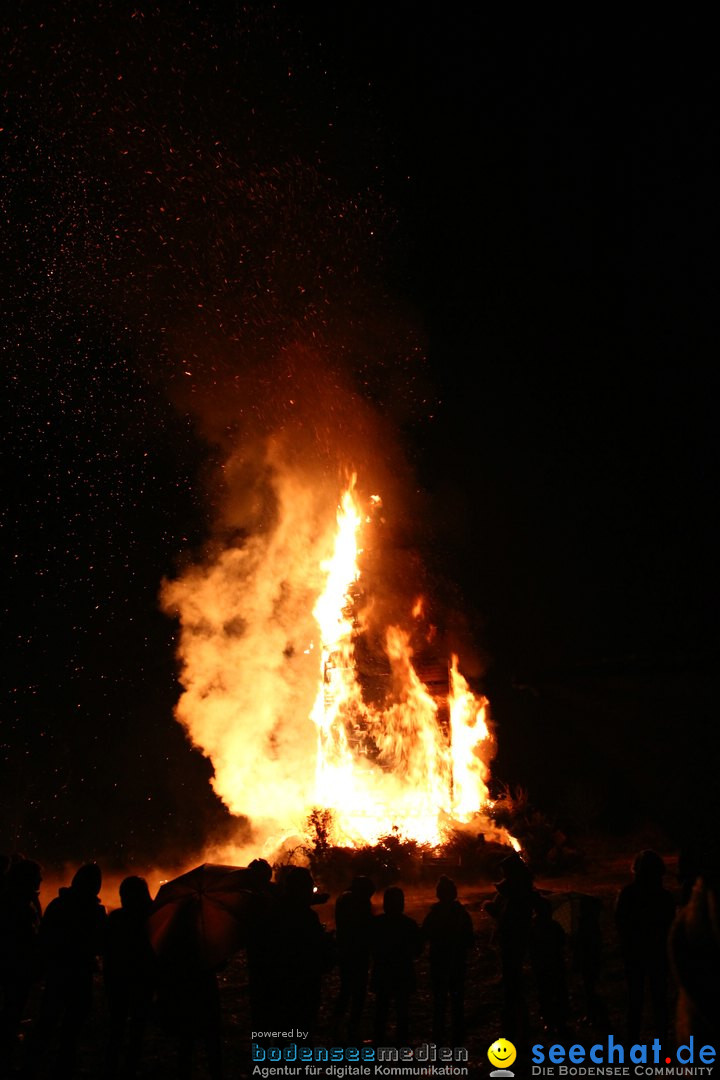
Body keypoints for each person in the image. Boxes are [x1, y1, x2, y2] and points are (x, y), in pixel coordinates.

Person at [25, 862, 106, 1079]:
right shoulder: (95, 911)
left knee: (49, 1019)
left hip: (58, 972)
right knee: (72, 1024)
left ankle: (32, 1064)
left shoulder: (58, 904)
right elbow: (100, 944)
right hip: (79, 973)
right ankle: (62, 1065)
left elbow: (44, 937)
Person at [615, 849, 676, 1043]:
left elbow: (620, 922)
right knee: (659, 998)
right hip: (656, 952)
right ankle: (662, 1039)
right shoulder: (665, 897)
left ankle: (633, 1041)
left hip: (635, 953)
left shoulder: (628, 894)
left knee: (636, 999)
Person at [103, 876, 156, 1080]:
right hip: (142, 980)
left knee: (116, 1026)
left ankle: (110, 1067)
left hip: (117, 980)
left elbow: (105, 947)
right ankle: (129, 1068)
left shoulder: (116, 918)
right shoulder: (151, 919)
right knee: (137, 1027)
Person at [484, 853, 536, 1043]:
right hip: (513, 936)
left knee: (512, 975)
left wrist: (492, 909)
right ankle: (515, 1013)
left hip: (514, 936)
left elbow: (508, 914)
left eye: (505, 871)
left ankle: (516, 1020)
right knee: (511, 973)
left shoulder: (515, 891)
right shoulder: (515, 889)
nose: (503, 875)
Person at [0, 858, 43, 1077]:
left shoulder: (23, 901)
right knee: (10, 1011)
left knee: (13, 1011)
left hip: (18, 967)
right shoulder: (16, 904)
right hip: (14, 966)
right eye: (37, 878)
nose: (41, 881)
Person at [421, 876, 474, 1045]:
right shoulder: (462, 915)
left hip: (439, 962)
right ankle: (457, 1034)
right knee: (457, 999)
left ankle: (439, 1034)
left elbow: (424, 935)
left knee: (439, 1000)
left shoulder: (434, 914)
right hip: (457, 962)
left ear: (438, 894)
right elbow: (470, 940)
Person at [370, 887, 421, 1046]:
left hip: (383, 972)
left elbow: (370, 947)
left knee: (381, 1009)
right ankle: (402, 1041)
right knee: (402, 1009)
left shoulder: (377, 924)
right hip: (403, 972)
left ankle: (378, 1040)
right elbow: (418, 949)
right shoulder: (409, 924)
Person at [332, 875, 375, 1041]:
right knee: (357, 992)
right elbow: (365, 926)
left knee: (346, 989)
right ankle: (352, 1028)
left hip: (346, 950)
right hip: (357, 951)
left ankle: (338, 1024)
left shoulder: (344, 899)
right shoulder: (358, 902)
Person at [529, 895, 569, 1037]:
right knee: (558, 992)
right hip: (555, 963)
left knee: (545, 993)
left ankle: (550, 1021)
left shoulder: (533, 927)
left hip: (542, 965)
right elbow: (562, 941)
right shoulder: (554, 925)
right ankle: (560, 1022)